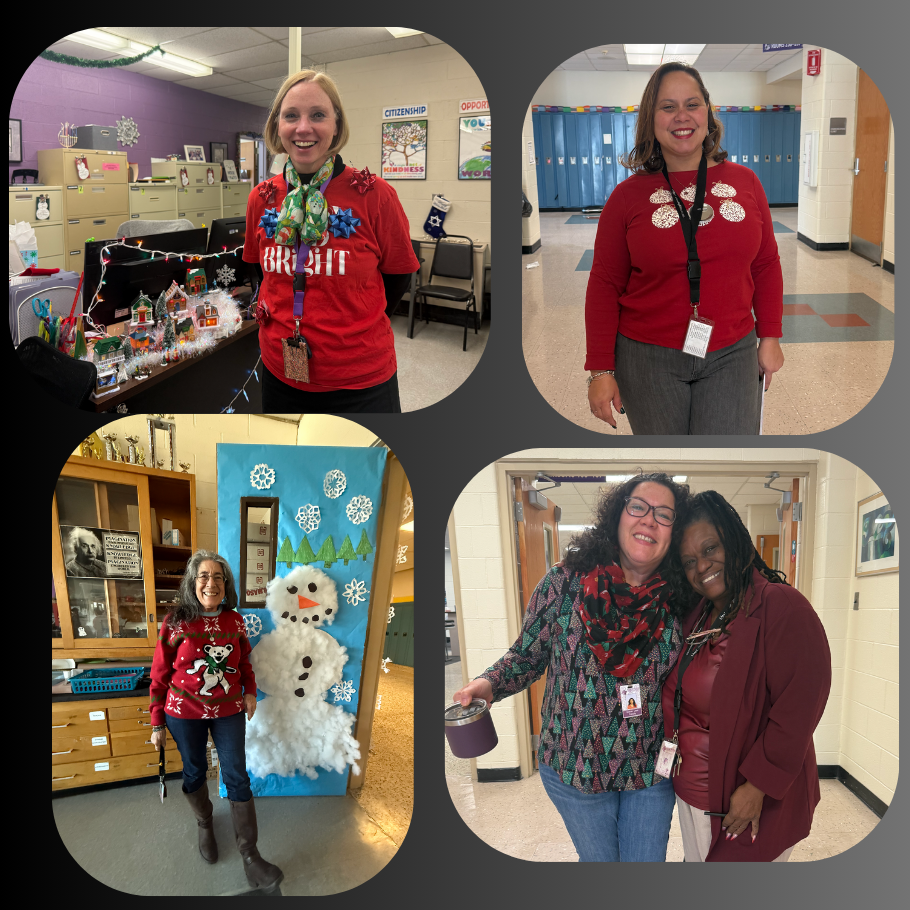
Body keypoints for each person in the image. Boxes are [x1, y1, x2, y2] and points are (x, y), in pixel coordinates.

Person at [452, 473, 689, 862]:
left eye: (664, 515)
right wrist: (488, 683)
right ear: (618, 514)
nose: (649, 520)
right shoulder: (564, 582)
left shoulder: (682, 599)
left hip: (650, 770)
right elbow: (527, 654)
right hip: (575, 764)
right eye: (638, 507)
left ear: (673, 532)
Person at [585, 62, 785, 434]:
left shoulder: (746, 182)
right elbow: (604, 283)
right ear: (651, 118)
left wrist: (770, 335)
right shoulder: (626, 197)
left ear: (707, 112)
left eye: (692, 104)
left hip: (733, 350)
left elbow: (766, 265)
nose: (682, 116)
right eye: (667, 106)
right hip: (647, 356)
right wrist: (600, 370)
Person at [662, 491, 831, 862]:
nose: (702, 566)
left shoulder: (781, 607)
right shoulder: (699, 616)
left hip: (744, 798)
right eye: (689, 561)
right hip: (692, 792)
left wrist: (758, 785)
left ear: (735, 540)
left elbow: (800, 708)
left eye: (710, 549)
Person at [244, 69, 419, 413]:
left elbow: (399, 277)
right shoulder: (261, 198)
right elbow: (258, 272)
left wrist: (351, 327)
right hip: (281, 371)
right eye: (291, 115)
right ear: (277, 126)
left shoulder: (375, 195)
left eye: (318, 115)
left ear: (337, 125)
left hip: (360, 379)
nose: (303, 127)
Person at [149, 550, 282, 890]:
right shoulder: (175, 621)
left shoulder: (235, 621)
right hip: (182, 712)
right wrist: (156, 722)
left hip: (229, 711)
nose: (211, 583)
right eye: (204, 576)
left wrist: (249, 691)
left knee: (237, 775)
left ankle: (250, 856)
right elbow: (160, 674)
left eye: (218, 577)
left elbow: (245, 664)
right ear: (192, 582)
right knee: (194, 771)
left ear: (226, 585)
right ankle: (205, 823)